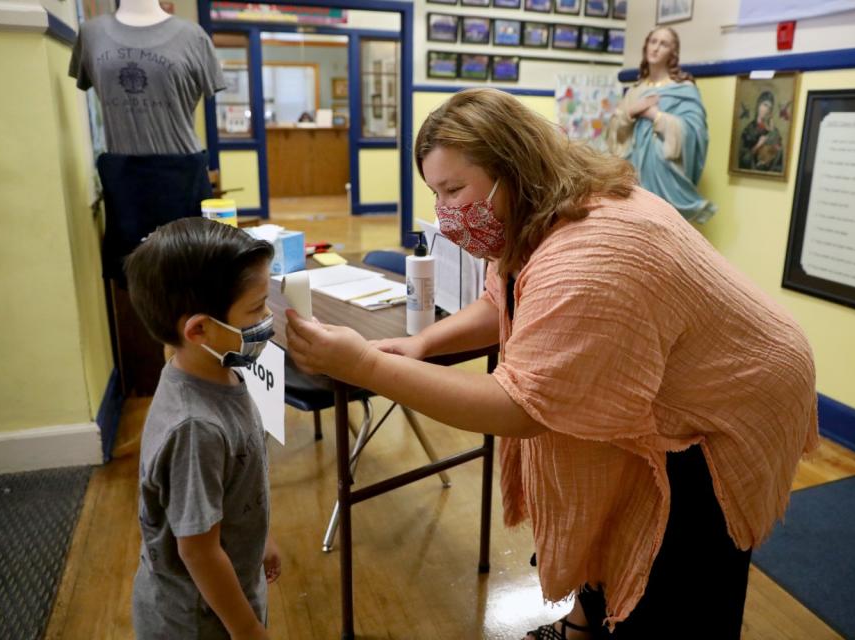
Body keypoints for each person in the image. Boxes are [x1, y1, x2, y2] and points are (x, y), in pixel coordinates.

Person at [284, 88, 818, 639]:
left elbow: (521, 406)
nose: (445, 214)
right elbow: (504, 298)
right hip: (688, 362)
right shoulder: (541, 211)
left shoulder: (589, 254)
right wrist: (424, 345)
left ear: (512, 168)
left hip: (732, 398)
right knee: (603, 490)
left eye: (453, 190)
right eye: (435, 194)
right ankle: (583, 625)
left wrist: (365, 367)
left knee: (679, 566)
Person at [124, 218, 281, 639]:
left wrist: (260, 536)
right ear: (198, 329)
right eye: (256, 308)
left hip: (224, 596)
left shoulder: (216, 364)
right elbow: (197, 550)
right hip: (198, 621)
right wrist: (247, 628)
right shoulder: (195, 428)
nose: (267, 318)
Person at [605, 26, 716, 223]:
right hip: (634, 172)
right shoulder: (635, 91)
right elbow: (614, 132)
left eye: (663, 44)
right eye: (653, 41)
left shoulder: (684, 89)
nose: (655, 48)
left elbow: (694, 132)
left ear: (672, 53)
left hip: (665, 174)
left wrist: (654, 115)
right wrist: (632, 111)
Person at [739, 90, 784, 172]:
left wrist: (773, 134)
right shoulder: (748, 130)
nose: (767, 109)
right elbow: (742, 160)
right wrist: (758, 145)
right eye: (765, 105)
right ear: (758, 105)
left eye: (770, 107)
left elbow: (779, 159)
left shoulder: (774, 131)